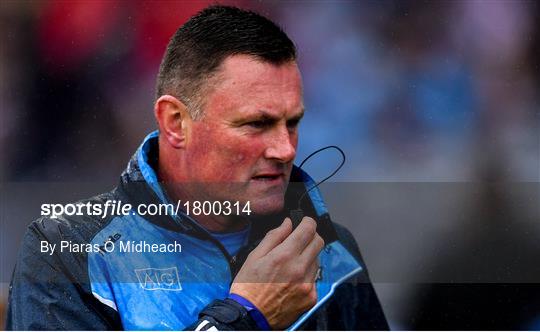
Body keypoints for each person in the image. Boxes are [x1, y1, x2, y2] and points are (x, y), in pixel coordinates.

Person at [7, 5, 388, 330]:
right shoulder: (65, 253)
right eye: (256, 124)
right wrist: (244, 316)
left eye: (292, 123)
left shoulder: (331, 253)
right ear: (175, 122)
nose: (285, 148)